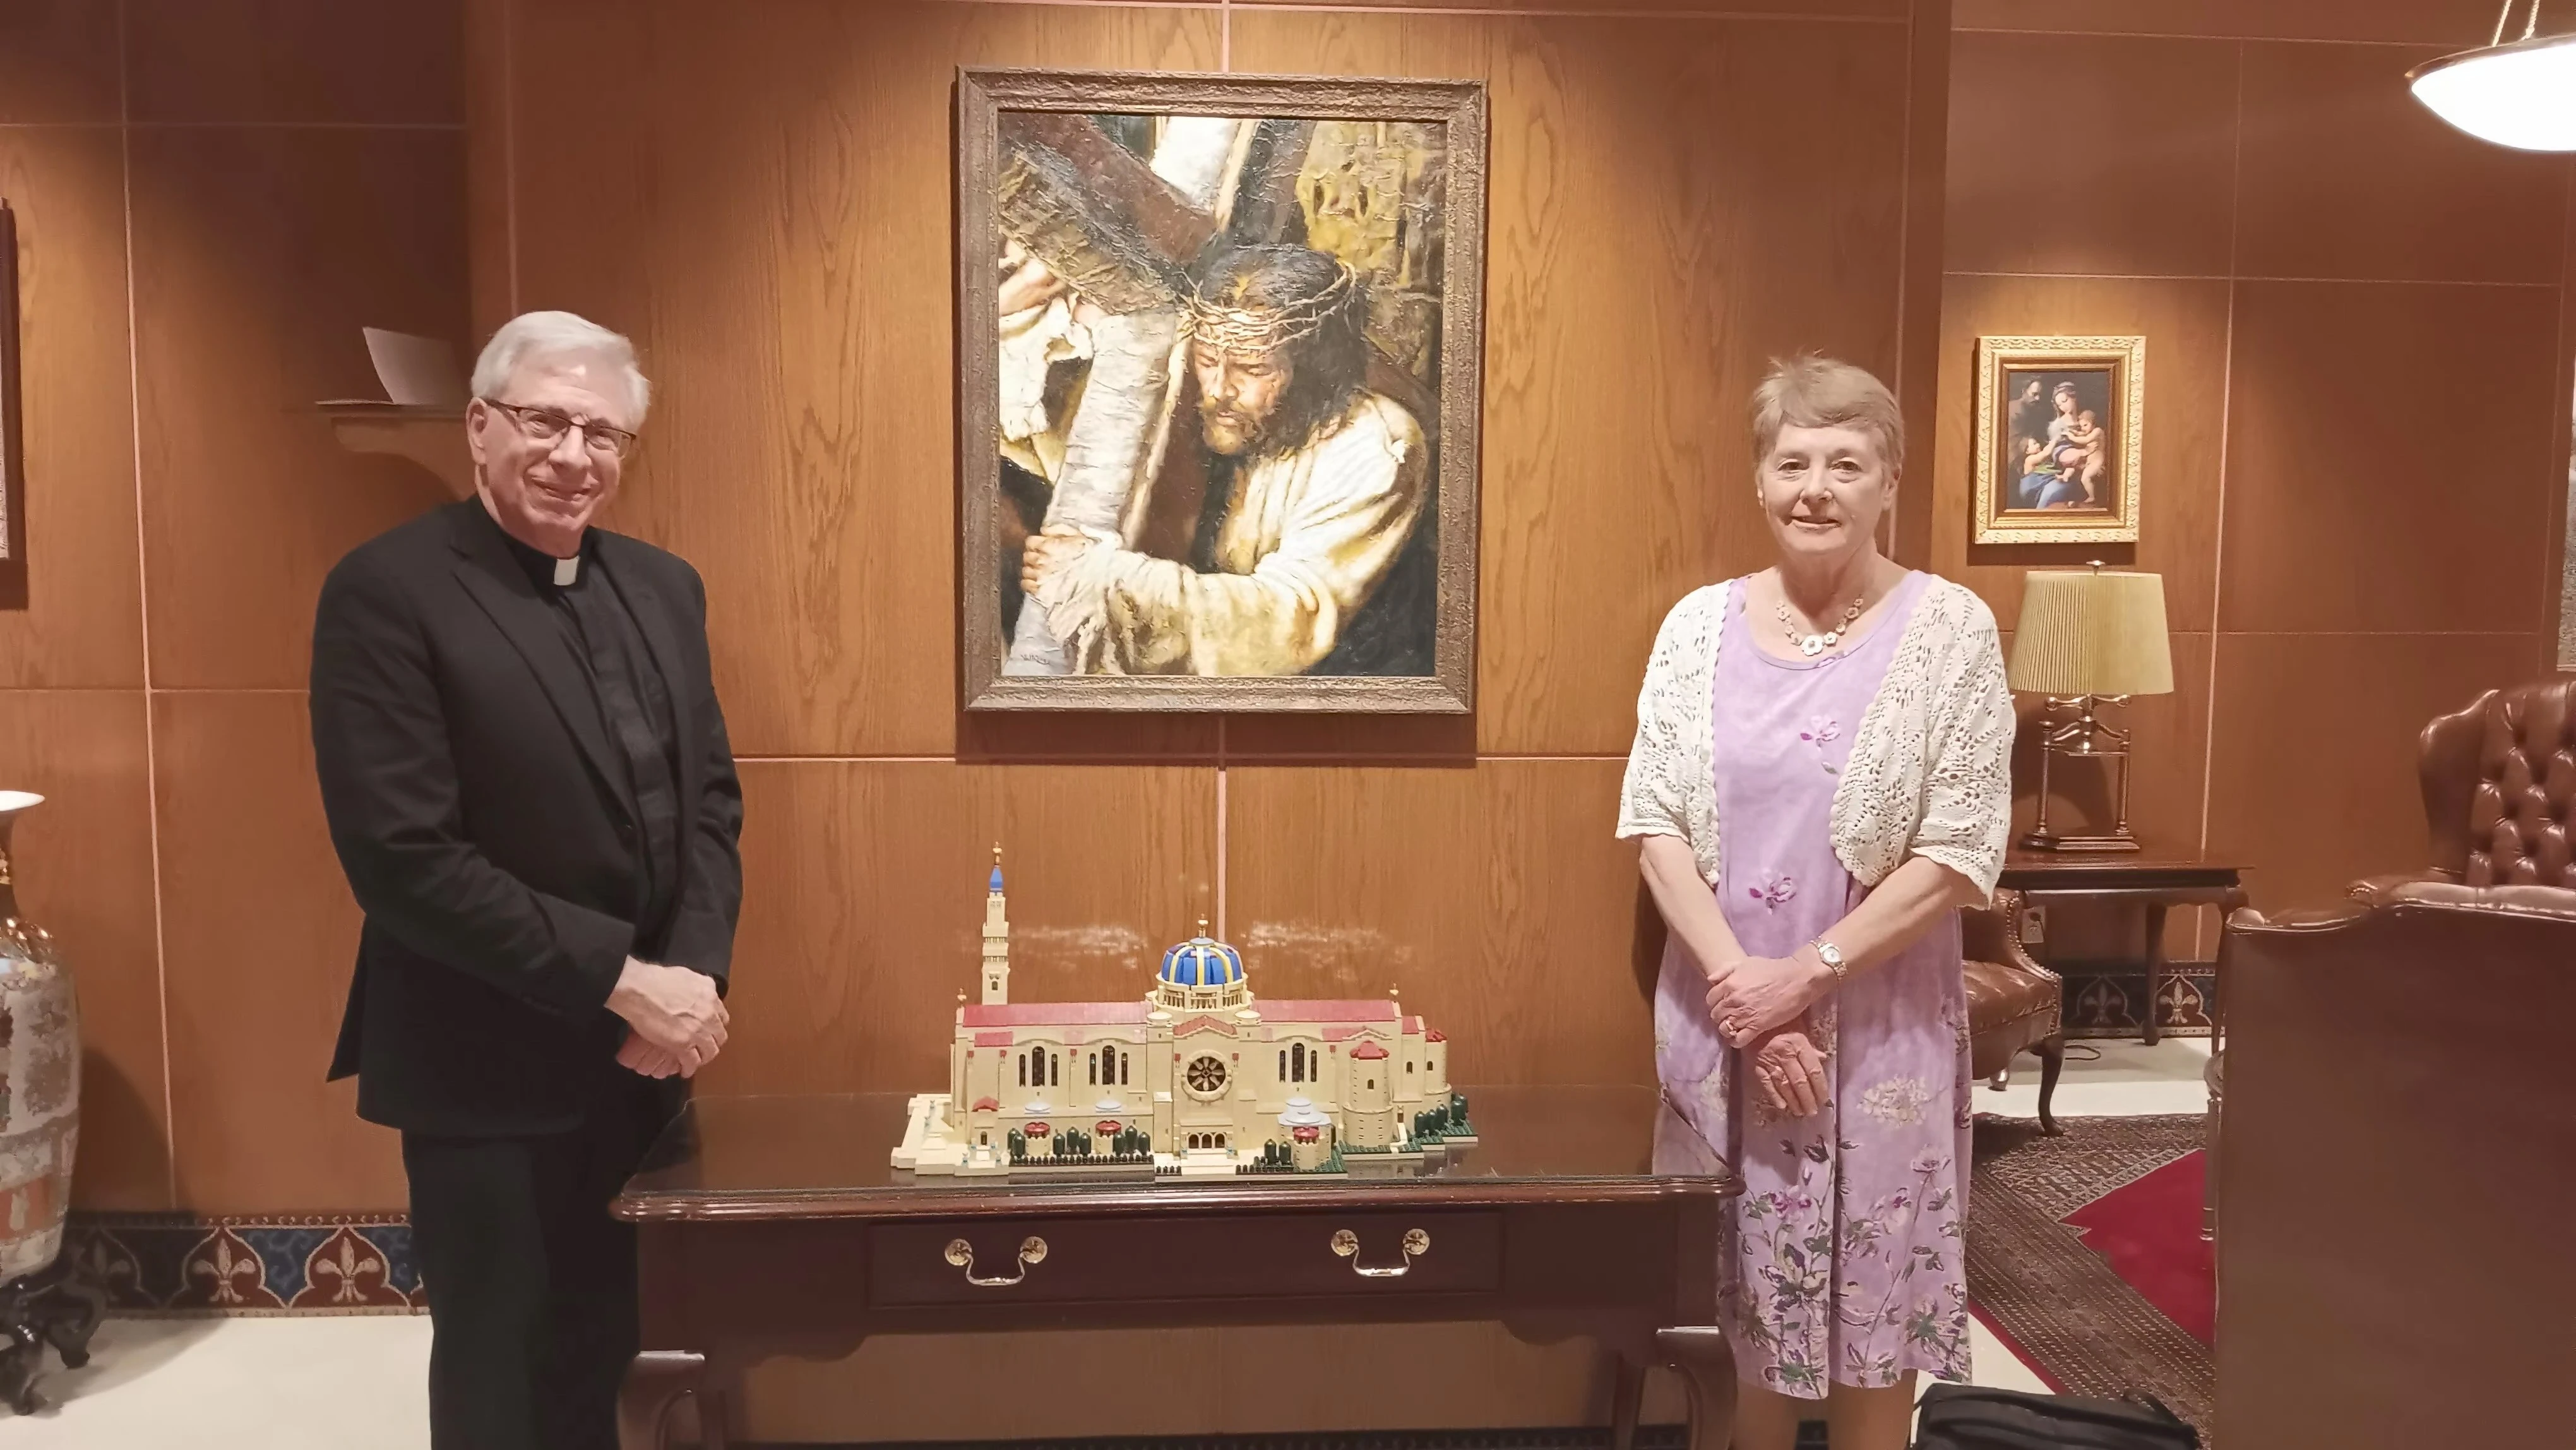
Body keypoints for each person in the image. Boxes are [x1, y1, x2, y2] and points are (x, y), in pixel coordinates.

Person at [309, 310, 744, 1450]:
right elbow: (405, 859)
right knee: (505, 1362)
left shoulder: (664, 587)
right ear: (479, 426)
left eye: (602, 434)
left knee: (622, 1343)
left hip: (643, 1061)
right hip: (482, 1063)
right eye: (545, 421)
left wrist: (689, 976)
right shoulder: (387, 590)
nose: (573, 456)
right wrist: (624, 979)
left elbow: (709, 806)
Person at [1618, 356, 2013, 1450]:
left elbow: (1957, 851)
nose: (1816, 488)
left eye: (1847, 464)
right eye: (1793, 462)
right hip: (1724, 1020)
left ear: (1890, 483)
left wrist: (1805, 980)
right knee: (1733, 1313)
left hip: (1878, 1032)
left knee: (1871, 1321)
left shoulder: (1952, 631)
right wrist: (1753, 999)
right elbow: (1655, 828)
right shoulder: (1696, 626)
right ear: (1758, 480)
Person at [1018, 243, 1430, 676]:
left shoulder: (1376, 446)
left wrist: (1105, 581)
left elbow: (1290, 620)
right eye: (1208, 360)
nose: (1218, 391)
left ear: (1314, 370)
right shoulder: (1194, 399)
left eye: (1252, 370)